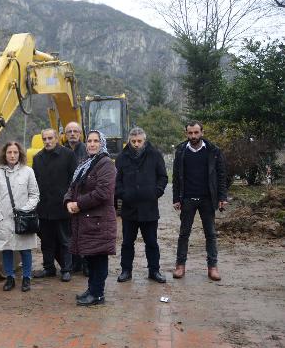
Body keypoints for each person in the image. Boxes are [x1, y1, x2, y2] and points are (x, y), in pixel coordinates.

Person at [64, 130, 116, 306]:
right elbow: (73, 186)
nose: (92, 144)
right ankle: (91, 289)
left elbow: (102, 193)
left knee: (99, 258)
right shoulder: (86, 163)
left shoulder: (106, 164)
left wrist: (78, 204)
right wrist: (68, 201)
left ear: (102, 143)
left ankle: (98, 294)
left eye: (96, 141)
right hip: (86, 220)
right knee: (91, 257)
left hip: (99, 221)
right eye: (89, 141)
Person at [172, 121, 227, 281]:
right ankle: (180, 266)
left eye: (196, 133)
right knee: (184, 234)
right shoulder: (181, 151)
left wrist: (222, 197)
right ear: (186, 133)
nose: (193, 136)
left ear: (202, 132)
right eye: (190, 133)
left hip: (207, 199)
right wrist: (176, 198)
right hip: (187, 199)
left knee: (210, 234)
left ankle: (213, 267)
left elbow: (221, 175)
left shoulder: (213, 151)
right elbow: (176, 177)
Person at [115, 127, 168, 284]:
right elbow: (116, 180)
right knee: (127, 243)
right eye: (133, 141)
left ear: (144, 141)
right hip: (129, 208)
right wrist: (123, 194)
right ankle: (126, 270)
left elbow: (163, 177)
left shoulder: (155, 155)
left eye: (139, 141)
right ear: (129, 141)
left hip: (149, 207)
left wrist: (156, 192)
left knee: (151, 242)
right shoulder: (122, 157)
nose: (136, 144)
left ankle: (154, 270)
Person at [0, 141, 40, 292]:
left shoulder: (28, 171)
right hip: (4, 219)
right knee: (7, 249)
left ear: (20, 154)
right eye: (9, 152)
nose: (12, 155)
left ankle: (26, 278)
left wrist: (25, 211)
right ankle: (10, 278)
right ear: (4, 154)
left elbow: (35, 194)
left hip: (23, 219)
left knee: (25, 249)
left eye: (15, 152)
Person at [32, 129, 77, 282]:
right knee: (46, 240)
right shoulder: (37, 158)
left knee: (65, 240)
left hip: (62, 206)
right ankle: (49, 268)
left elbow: (74, 181)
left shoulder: (68, 155)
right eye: (45, 139)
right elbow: (35, 183)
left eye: (50, 138)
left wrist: (71, 200)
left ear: (57, 138)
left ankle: (66, 269)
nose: (47, 141)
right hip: (44, 207)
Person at [63, 121, 89, 277]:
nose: (72, 133)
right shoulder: (63, 151)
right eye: (69, 131)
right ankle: (75, 264)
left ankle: (86, 264)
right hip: (68, 197)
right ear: (65, 135)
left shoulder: (86, 151)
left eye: (75, 131)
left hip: (83, 198)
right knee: (70, 233)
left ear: (80, 134)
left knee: (84, 232)